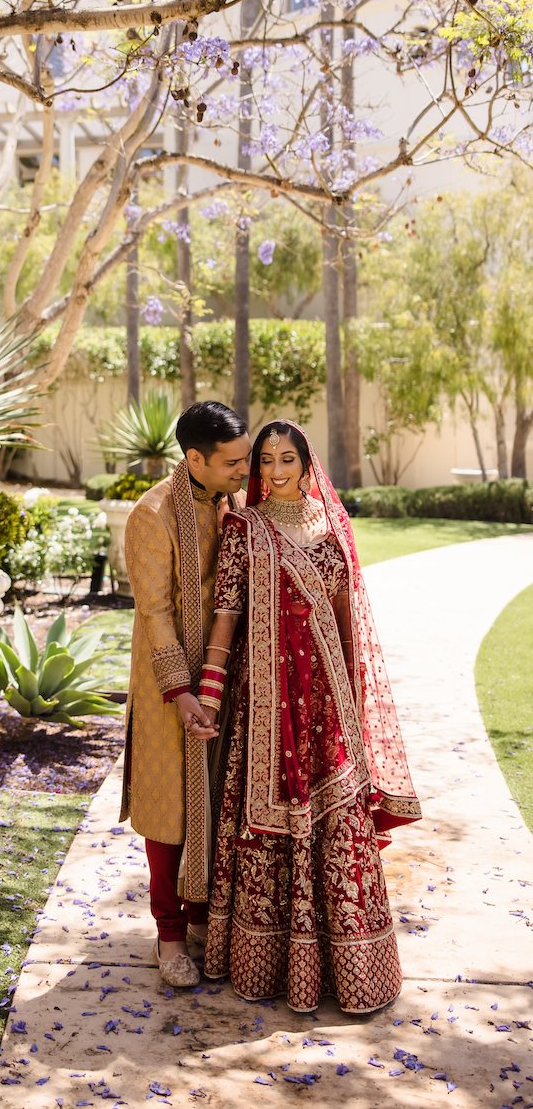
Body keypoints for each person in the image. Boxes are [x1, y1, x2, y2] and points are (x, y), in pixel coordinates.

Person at [200, 419, 422, 1014]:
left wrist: (354, 701)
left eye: (287, 460)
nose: (274, 471)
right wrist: (212, 689)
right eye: (265, 461)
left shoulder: (331, 527)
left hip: (328, 703)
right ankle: (268, 964)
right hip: (267, 704)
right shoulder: (243, 528)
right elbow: (226, 613)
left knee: (337, 821)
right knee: (269, 822)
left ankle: (352, 968)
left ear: (306, 464)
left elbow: (349, 619)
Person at [120, 400, 252, 988]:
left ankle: (204, 918)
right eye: (233, 462)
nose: (245, 471)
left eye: (246, 458)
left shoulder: (237, 504)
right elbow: (154, 612)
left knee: (223, 795)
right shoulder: (152, 515)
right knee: (169, 805)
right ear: (194, 459)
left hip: (227, 673)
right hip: (166, 681)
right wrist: (180, 690)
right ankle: (169, 935)